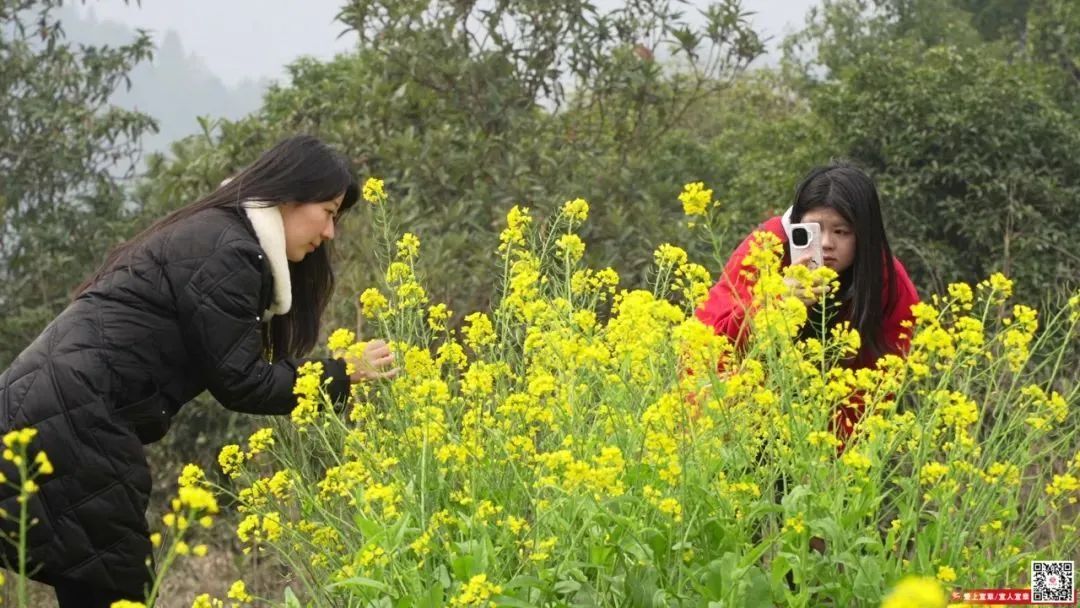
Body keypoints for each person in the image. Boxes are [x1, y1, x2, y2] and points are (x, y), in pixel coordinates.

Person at [0, 135, 397, 606]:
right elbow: (242, 382)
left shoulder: (215, 234)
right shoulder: (228, 251)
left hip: (44, 406)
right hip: (75, 416)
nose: (330, 233)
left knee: (100, 583)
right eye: (329, 212)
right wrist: (341, 373)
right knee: (115, 591)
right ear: (290, 196)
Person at [695, 162, 920, 437]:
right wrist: (775, 303)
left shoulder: (885, 279)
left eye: (842, 232)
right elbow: (711, 343)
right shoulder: (767, 247)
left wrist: (827, 460)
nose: (826, 243)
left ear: (865, 235)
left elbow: (880, 383)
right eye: (814, 229)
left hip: (823, 441)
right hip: (741, 425)